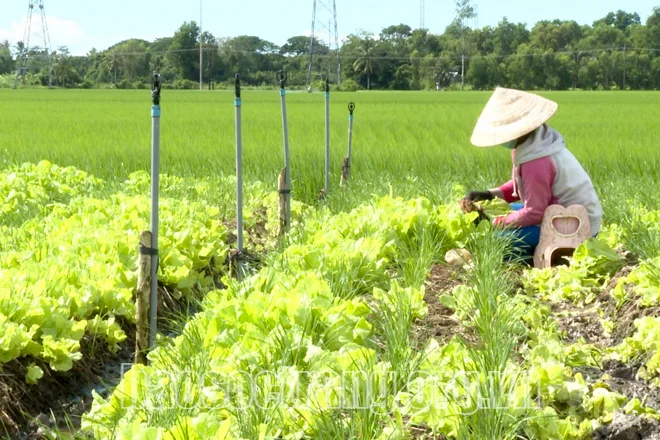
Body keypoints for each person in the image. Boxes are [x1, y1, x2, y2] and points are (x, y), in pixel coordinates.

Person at [463, 87, 603, 258]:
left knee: (494, 243)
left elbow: (535, 211)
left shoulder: (536, 161)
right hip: (560, 212)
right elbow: (525, 185)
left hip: (573, 226)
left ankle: (534, 256)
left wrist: (494, 222)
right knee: (509, 210)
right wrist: (490, 194)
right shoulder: (538, 143)